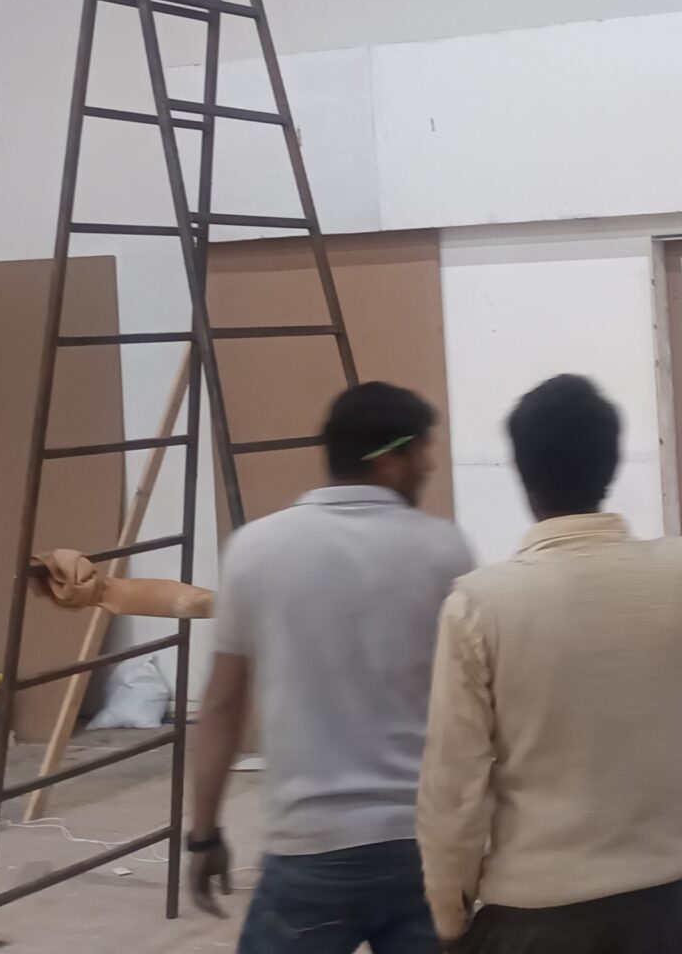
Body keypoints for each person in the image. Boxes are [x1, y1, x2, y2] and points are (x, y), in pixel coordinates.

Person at [418, 373, 682, 953]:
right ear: (612, 465)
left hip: (530, 922)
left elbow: (453, 789)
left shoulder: (478, 605)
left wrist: (448, 919)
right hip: (660, 922)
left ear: (521, 472)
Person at [184, 381, 476, 954]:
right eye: (424, 451)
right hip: (422, 849)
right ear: (390, 462)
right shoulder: (446, 551)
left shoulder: (255, 549)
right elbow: (474, 701)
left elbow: (220, 705)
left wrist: (204, 835)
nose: (430, 466)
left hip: (309, 850)